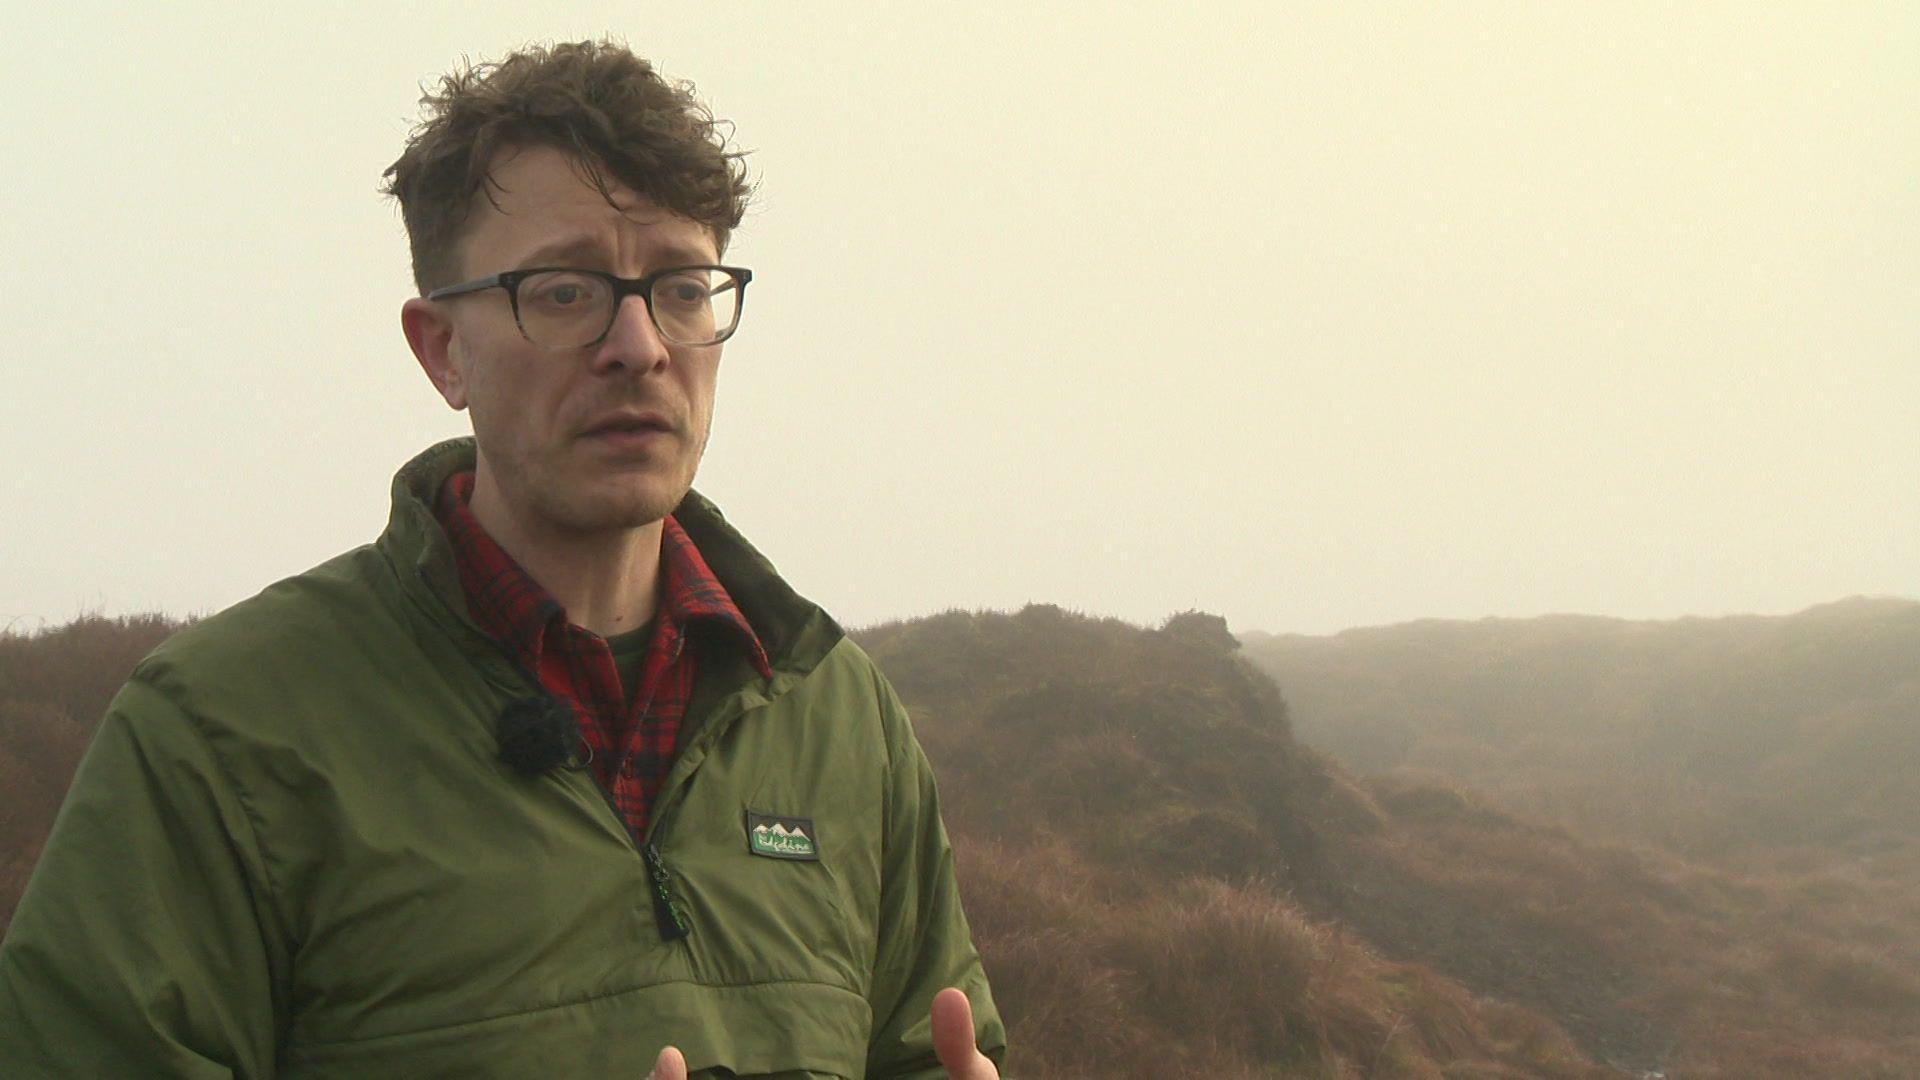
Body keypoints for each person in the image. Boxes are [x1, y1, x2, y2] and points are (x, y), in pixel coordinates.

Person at [0, 40, 1005, 1079]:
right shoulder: (220, 734)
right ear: (442, 351)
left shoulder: (838, 716)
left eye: (682, 287)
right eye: (566, 290)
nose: (640, 344)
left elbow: (929, 1049)